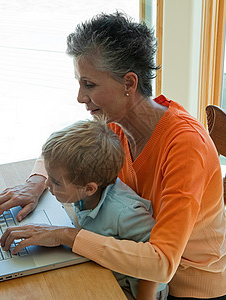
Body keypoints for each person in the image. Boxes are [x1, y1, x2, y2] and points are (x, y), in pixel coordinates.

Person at [0, 12, 226, 300]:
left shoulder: (185, 146)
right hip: (132, 273)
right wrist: (35, 183)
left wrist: (64, 236)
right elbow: (70, 150)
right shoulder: (116, 121)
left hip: (187, 289)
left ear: (129, 84)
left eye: (89, 85)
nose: (80, 97)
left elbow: (161, 262)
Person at [34, 119, 168, 299]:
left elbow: (155, 261)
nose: (47, 184)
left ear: (89, 188)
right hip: (106, 269)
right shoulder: (84, 193)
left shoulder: (124, 212)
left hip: (137, 291)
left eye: (56, 181)